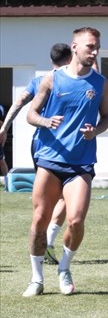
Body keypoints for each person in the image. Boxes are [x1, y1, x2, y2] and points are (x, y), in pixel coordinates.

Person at [22, 27, 108, 297]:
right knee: (39, 219)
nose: (94, 52)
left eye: (97, 47)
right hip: (50, 160)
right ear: (74, 47)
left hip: (81, 164)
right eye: (89, 47)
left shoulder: (101, 83)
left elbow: (106, 117)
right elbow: (31, 114)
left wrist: (95, 131)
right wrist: (46, 122)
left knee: (75, 220)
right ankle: (37, 279)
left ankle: (64, 267)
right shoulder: (52, 79)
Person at [2, 43, 72, 263]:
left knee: (47, 198)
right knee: (67, 196)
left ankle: (44, 240)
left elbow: (19, 102)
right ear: (71, 57)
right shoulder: (72, 79)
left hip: (39, 145)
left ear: (51, 59)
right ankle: (49, 239)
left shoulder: (39, 80)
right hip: (67, 146)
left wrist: (4, 129)